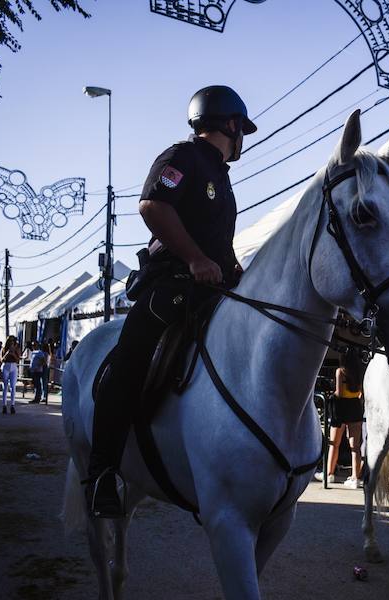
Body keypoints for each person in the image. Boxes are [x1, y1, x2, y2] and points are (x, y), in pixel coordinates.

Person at [86, 84, 255, 518]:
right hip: (172, 285)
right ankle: (101, 472)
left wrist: (234, 271)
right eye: (242, 131)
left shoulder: (221, 175)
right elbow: (152, 206)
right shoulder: (182, 157)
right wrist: (196, 258)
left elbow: (219, 241)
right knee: (129, 365)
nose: (242, 142)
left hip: (215, 288)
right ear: (231, 125)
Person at [316, 348, 366, 488]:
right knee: (355, 446)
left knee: (334, 443)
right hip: (355, 407)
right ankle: (355, 478)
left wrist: (331, 396)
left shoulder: (340, 372)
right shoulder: (358, 373)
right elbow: (360, 393)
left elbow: (338, 392)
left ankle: (329, 473)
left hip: (341, 408)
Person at [1, 336, 21, 415]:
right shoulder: (4, 348)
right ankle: (4, 405)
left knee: (13, 386)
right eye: (10, 341)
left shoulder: (16, 349)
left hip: (13, 366)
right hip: (6, 365)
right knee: (5, 386)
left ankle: (12, 405)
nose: (12, 342)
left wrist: (13, 354)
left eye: (13, 341)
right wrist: (7, 353)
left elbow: (18, 359)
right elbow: (1, 359)